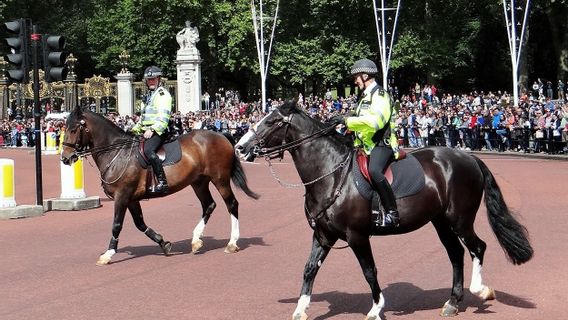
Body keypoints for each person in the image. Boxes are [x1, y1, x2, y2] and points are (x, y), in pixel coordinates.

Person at [331, 58, 400, 228]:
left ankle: (392, 213)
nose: (355, 81)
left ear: (365, 75)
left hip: (382, 145)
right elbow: (357, 120)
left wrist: (348, 121)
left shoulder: (381, 95)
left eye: (356, 77)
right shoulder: (363, 97)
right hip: (363, 146)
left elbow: (376, 122)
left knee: (375, 171)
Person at [131, 66, 173, 195]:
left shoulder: (162, 95)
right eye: (149, 79)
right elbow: (143, 118)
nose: (151, 81)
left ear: (159, 79)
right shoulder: (149, 96)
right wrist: (134, 129)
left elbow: (163, 117)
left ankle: (162, 181)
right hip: (145, 130)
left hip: (159, 131)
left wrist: (152, 129)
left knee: (148, 150)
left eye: (153, 79)